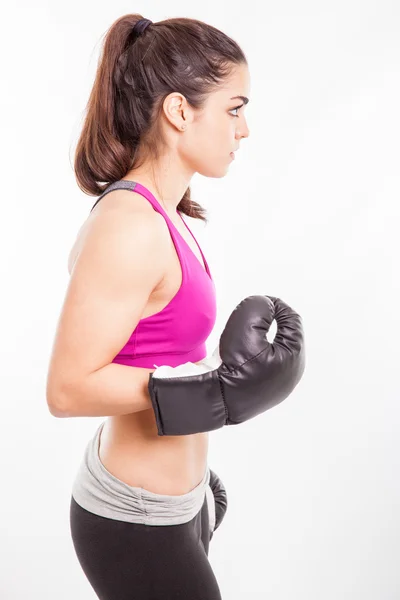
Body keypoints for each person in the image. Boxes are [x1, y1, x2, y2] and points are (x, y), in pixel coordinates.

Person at [46, 13, 250, 600]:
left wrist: (195, 480)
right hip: (135, 519)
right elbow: (67, 388)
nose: (244, 129)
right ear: (180, 111)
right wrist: (215, 392)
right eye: (234, 108)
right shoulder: (131, 225)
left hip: (180, 502)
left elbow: (158, 350)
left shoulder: (169, 211)